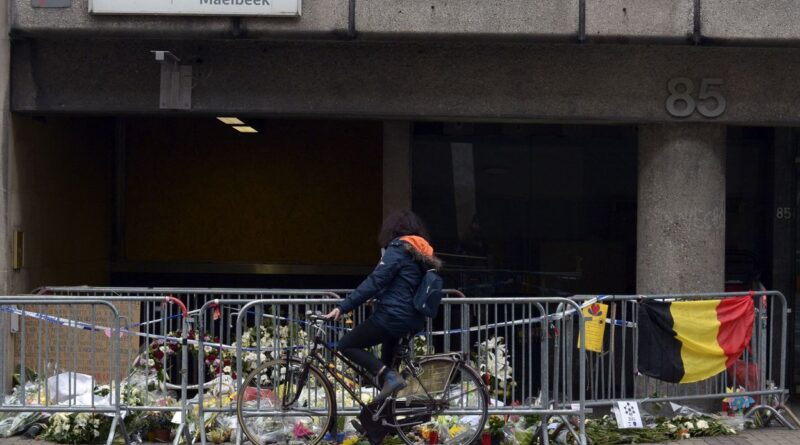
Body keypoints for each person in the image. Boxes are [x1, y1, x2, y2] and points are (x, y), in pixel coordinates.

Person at [325, 210, 442, 402]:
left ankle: (390, 376)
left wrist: (343, 306)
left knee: (347, 345)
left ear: (392, 230)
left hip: (392, 316)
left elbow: (375, 281)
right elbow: (405, 284)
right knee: (384, 372)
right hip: (413, 318)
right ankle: (377, 425)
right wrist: (381, 296)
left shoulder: (398, 248)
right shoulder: (421, 253)